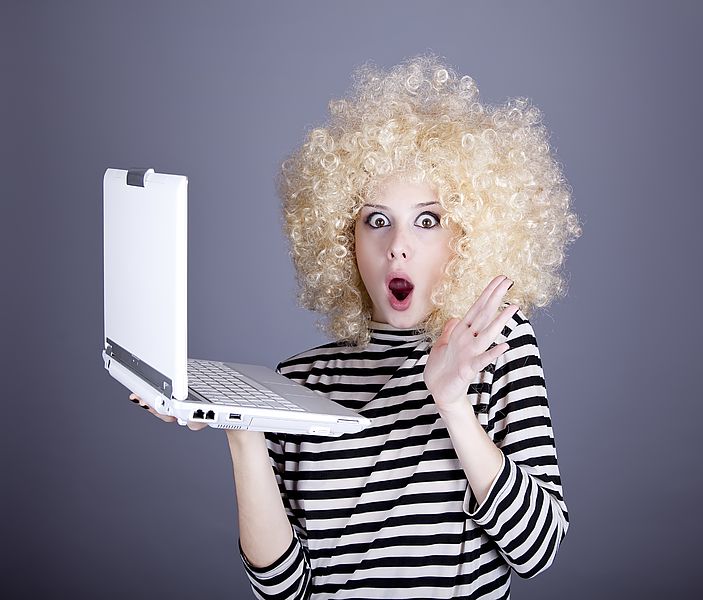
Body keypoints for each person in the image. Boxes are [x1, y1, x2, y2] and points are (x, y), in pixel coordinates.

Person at [132, 54, 580, 599]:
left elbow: (539, 549)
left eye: (428, 220)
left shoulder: (496, 351)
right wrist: (242, 426)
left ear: (466, 236)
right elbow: (282, 591)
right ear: (343, 239)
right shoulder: (296, 384)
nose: (398, 244)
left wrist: (453, 403)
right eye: (376, 220)